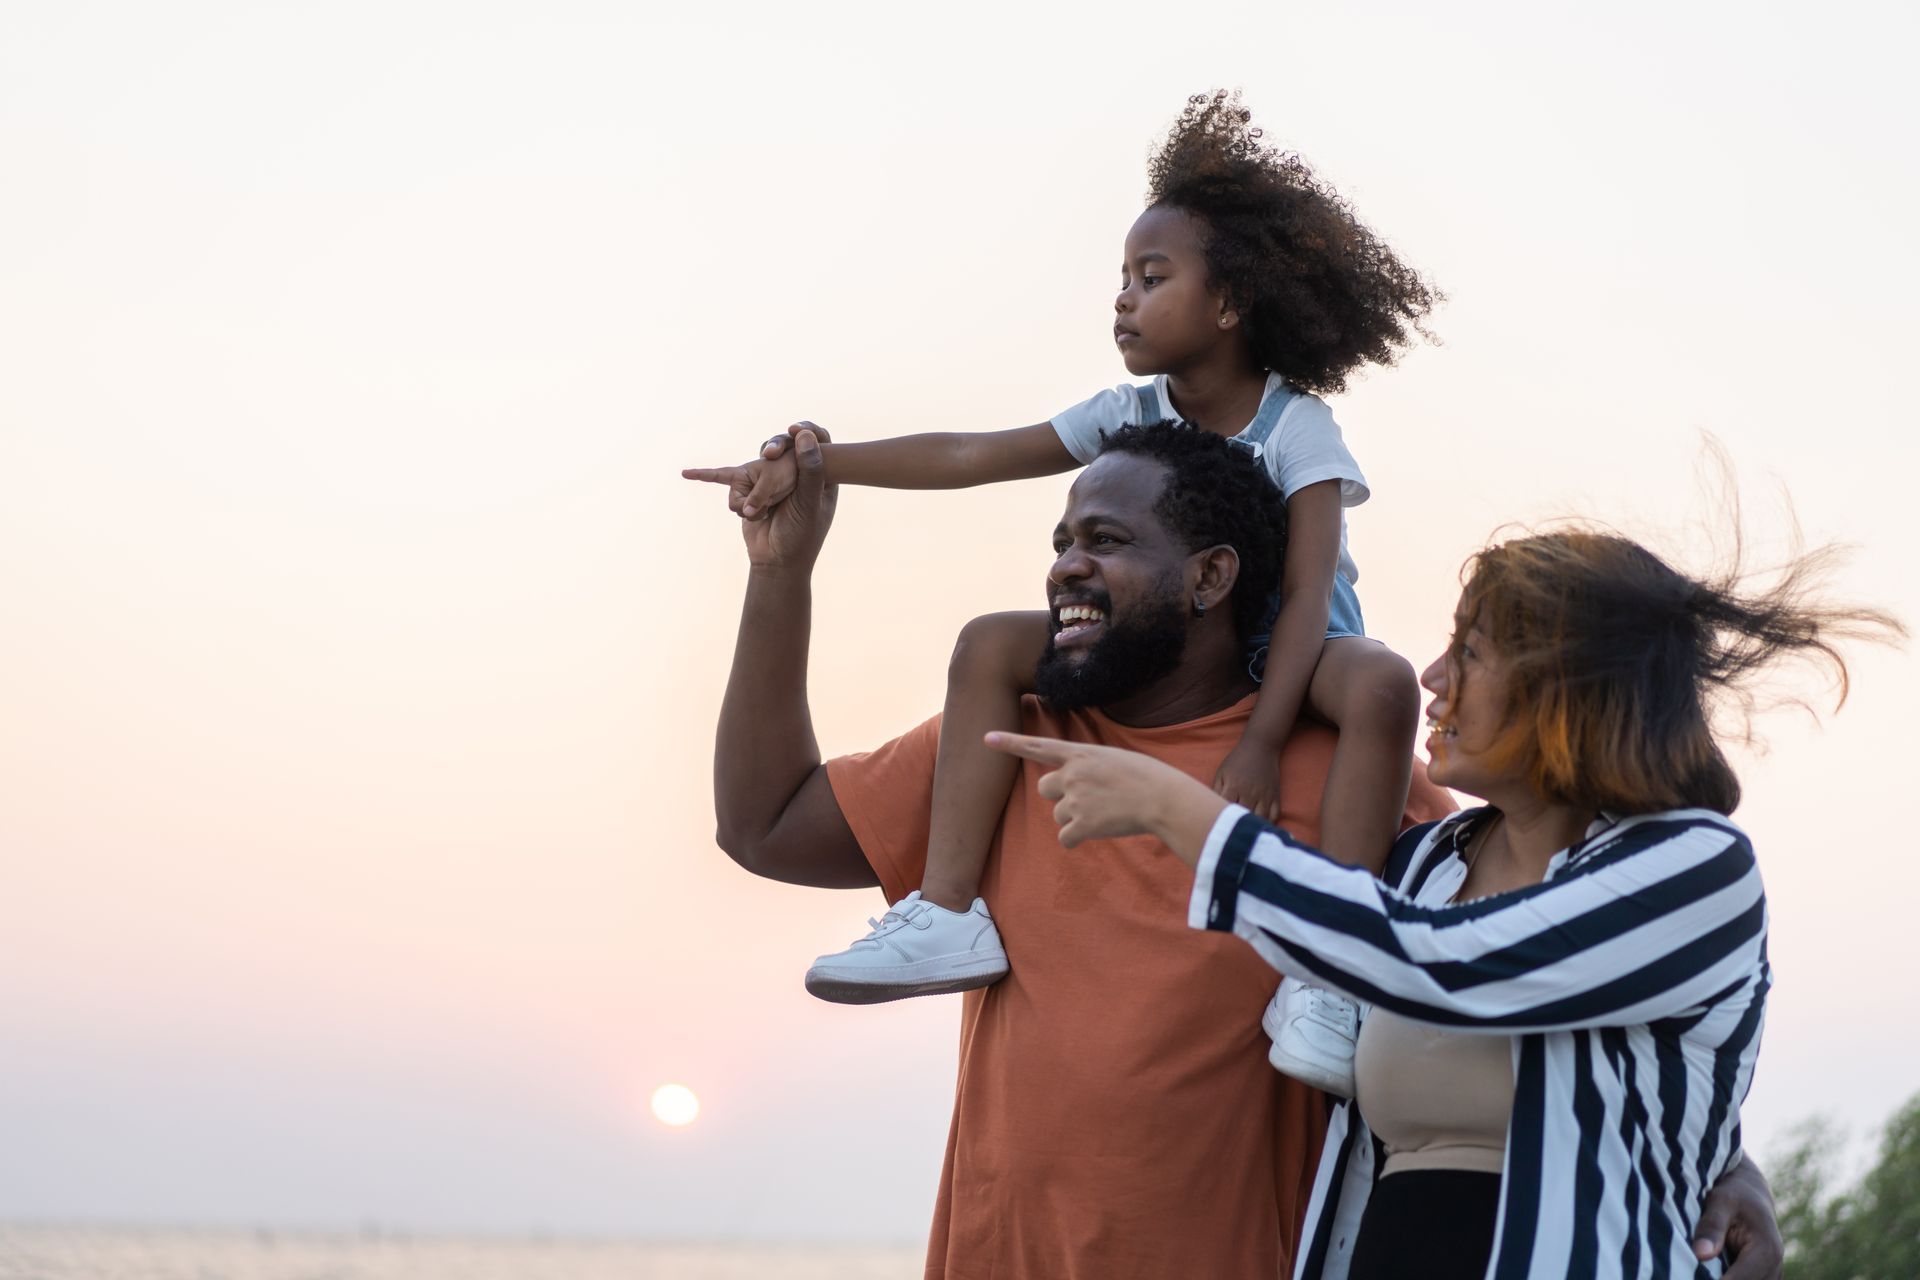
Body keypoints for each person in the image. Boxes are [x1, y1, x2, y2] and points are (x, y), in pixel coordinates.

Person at [704, 420, 1786, 1279]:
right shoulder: (1007, 746)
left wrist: (1718, 1157)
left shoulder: (1361, 790)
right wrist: (779, 574)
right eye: (1061, 543)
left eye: (1105, 542)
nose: (1067, 568)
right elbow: (765, 823)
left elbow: (1506, 960)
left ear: (1212, 576)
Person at [686, 90, 1438, 1096]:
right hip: (1189, 649)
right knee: (988, 641)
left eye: (1151, 278)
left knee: (1382, 684)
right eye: (1121, 277)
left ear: (1230, 304)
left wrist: (1263, 738)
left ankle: (1328, 971)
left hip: (1301, 648)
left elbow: (1305, 590)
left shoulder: (1297, 427)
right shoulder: (1129, 412)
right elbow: (974, 452)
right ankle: (948, 909)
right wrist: (824, 462)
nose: (1123, 299)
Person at [986, 520, 1898, 1278]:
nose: (1432, 676)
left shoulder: (1694, 868)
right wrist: (1728, 1157)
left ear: (1568, 689)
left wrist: (1180, 812)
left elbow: (1444, 964)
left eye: (1470, 650)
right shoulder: (1423, 862)